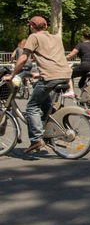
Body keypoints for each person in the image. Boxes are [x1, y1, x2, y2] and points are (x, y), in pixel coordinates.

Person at [2, 16, 72, 153]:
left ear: (32, 27)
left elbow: (23, 58)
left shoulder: (34, 37)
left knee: (31, 107)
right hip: (64, 75)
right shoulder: (56, 37)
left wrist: (12, 75)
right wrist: (38, 74)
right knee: (39, 93)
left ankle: (36, 139)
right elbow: (56, 59)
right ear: (46, 26)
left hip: (50, 77)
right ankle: (46, 127)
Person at [65, 30, 90, 95]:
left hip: (86, 66)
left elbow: (70, 55)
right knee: (81, 84)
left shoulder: (80, 45)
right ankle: (87, 98)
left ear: (82, 37)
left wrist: (61, 59)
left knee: (68, 74)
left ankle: (71, 91)